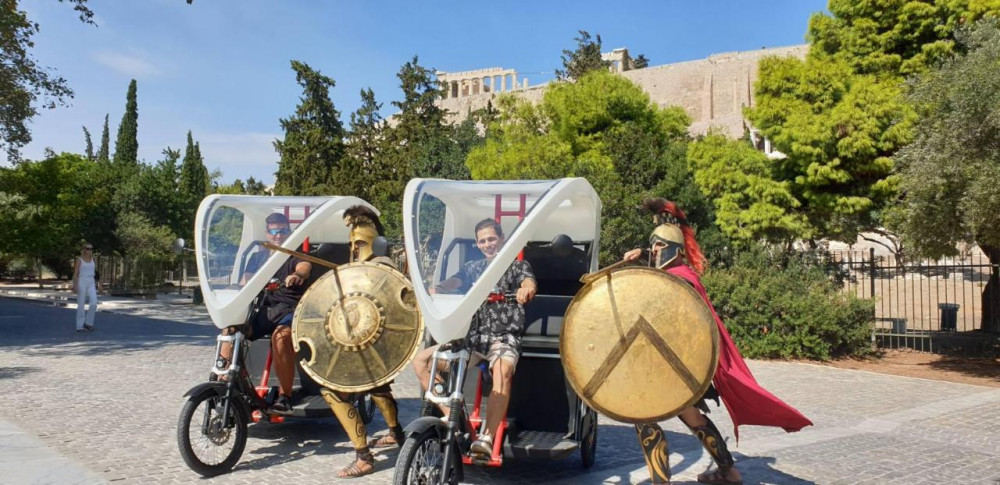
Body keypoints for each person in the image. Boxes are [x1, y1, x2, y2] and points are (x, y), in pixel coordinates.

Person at [622, 198, 813, 485]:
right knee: (691, 415)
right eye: (654, 246)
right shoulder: (681, 273)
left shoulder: (680, 281)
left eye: (660, 247)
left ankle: (661, 481)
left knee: (644, 417)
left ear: (674, 250)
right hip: (682, 367)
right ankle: (729, 472)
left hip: (674, 365)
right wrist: (644, 254)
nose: (655, 252)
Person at [411, 218, 537, 456]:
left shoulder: (517, 266)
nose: (487, 244)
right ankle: (452, 415)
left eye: (491, 239)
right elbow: (454, 281)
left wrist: (526, 288)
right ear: (477, 244)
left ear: (501, 239)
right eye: (482, 241)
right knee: (422, 361)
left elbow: (528, 281)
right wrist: (437, 289)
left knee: (502, 372)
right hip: (474, 339)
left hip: (504, 338)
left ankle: (486, 438)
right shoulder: (473, 267)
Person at [319, 205, 407, 479]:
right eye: (351, 243)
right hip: (359, 341)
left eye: (359, 243)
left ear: (375, 243)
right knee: (379, 389)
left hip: (375, 344)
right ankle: (396, 434)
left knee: (332, 392)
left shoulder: (383, 267)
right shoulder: (354, 269)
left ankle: (364, 457)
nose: (354, 248)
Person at [220, 212, 311, 414]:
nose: (278, 235)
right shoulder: (258, 256)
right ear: (267, 232)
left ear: (289, 232)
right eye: (274, 231)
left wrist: (297, 275)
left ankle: (285, 396)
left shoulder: (295, 255)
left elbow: (305, 267)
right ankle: (225, 380)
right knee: (230, 330)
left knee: (281, 337)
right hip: (264, 309)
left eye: (283, 231)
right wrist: (232, 289)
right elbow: (246, 283)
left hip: (290, 309)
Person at [72, 242, 98, 332]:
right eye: (87, 248)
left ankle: (88, 323)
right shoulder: (79, 260)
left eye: (91, 249)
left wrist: (100, 283)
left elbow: (96, 273)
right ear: (84, 249)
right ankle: (79, 326)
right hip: (82, 282)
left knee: (94, 303)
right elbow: (75, 274)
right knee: (81, 303)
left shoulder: (93, 259)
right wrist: (75, 285)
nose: (89, 250)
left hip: (91, 282)